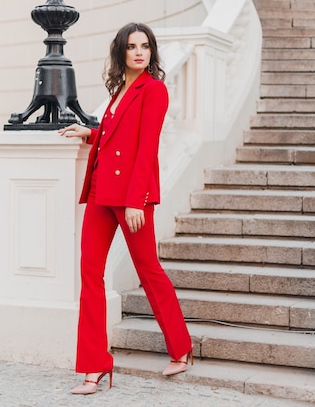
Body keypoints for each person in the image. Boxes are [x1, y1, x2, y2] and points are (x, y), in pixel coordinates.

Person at [59, 22, 193, 395]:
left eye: (145, 46)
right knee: (89, 275)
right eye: (132, 46)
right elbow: (117, 137)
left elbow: (145, 146)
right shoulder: (119, 90)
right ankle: (94, 366)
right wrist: (90, 133)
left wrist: (137, 200)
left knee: (148, 270)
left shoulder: (155, 90)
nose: (139, 52)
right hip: (102, 193)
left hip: (132, 198)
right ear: (121, 52)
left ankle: (181, 347)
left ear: (151, 52)